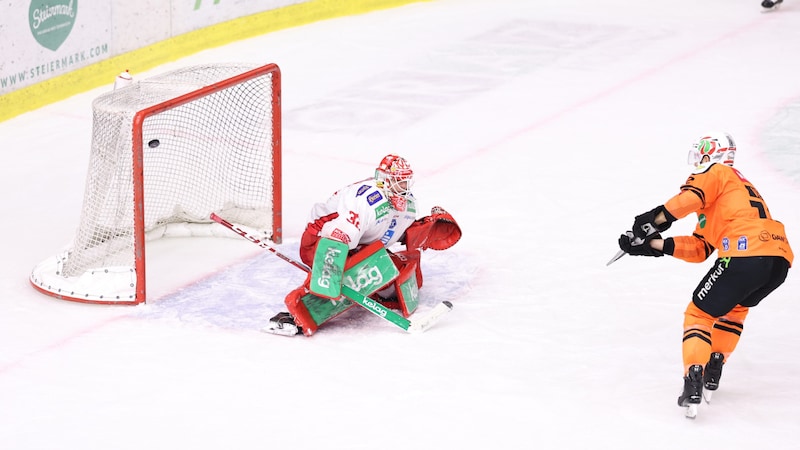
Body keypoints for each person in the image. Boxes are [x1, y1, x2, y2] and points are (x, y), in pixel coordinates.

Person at [617, 131, 793, 411]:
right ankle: (715, 364)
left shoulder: (717, 172)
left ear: (709, 154)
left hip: (745, 252)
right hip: (778, 260)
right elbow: (700, 248)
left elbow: (689, 198)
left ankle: (693, 377)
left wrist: (652, 219)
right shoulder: (733, 193)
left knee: (698, 314)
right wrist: (652, 244)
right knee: (734, 310)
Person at [266, 154, 462, 336]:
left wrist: (422, 230)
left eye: (405, 182)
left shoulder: (409, 203)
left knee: (393, 270)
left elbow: (398, 232)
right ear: (383, 179)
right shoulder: (367, 201)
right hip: (320, 239)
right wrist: (329, 278)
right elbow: (335, 242)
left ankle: (368, 283)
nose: (402, 187)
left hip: (358, 242)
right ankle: (295, 316)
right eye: (397, 181)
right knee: (345, 275)